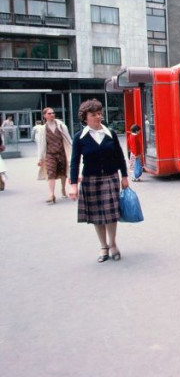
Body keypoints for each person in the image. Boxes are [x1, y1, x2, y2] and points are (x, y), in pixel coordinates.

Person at [68, 99, 129, 263]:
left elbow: (120, 157)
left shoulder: (110, 134)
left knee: (111, 214)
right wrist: (73, 185)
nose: (98, 117)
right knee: (96, 216)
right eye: (93, 114)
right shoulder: (79, 138)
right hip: (90, 179)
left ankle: (113, 243)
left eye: (99, 113)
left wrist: (124, 176)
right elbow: (74, 162)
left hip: (110, 177)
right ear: (85, 118)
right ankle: (104, 246)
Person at [37, 108, 72, 204]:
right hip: (50, 154)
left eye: (53, 113)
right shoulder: (43, 129)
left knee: (63, 172)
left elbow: (68, 139)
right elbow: (41, 144)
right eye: (49, 113)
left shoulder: (61, 126)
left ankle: (63, 189)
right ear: (45, 116)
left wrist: (72, 151)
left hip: (61, 153)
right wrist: (40, 158)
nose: (52, 115)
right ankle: (51, 194)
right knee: (50, 173)